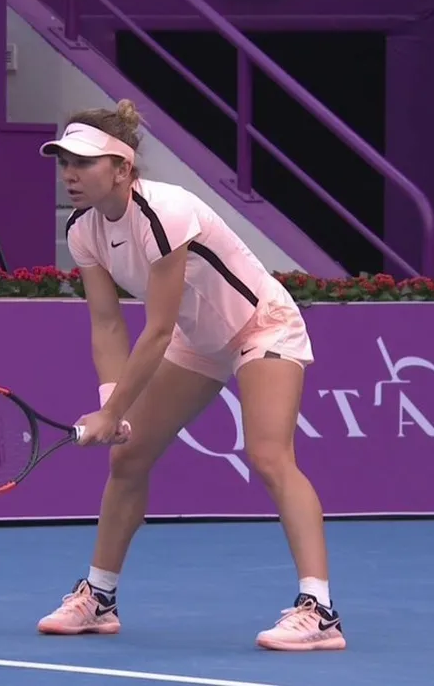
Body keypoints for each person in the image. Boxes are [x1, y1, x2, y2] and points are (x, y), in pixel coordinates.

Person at [35, 99, 345, 652]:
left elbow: (154, 330)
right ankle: (98, 599)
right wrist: (112, 404)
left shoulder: (165, 212)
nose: (70, 174)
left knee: (269, 456)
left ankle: (319, 611)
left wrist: (113, 412)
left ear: (122, 168)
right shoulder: (83, 230)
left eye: (83, 162)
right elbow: (107, 323)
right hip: (198, 340)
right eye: (64, 163)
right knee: (128, 457)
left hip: (260, 326)